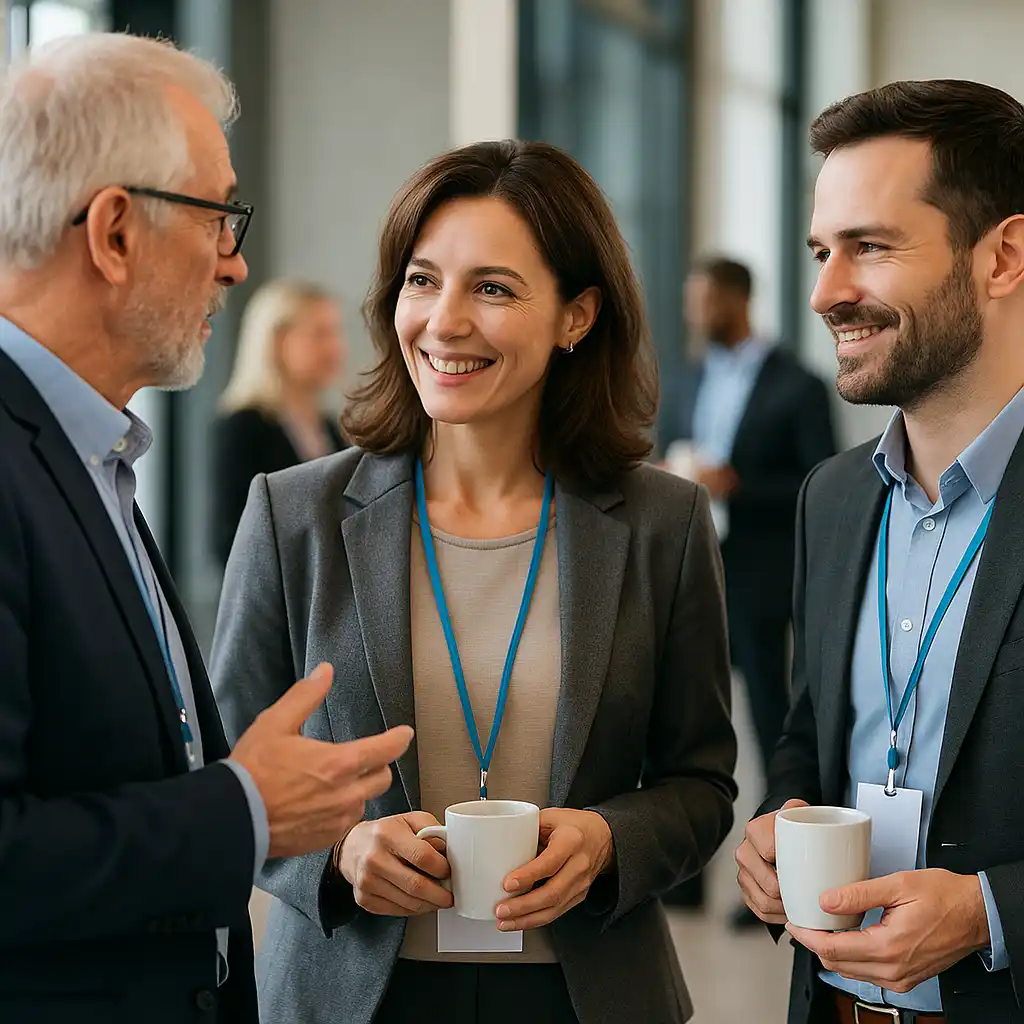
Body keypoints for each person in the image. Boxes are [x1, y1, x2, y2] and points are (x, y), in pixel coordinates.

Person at [211, 139, 738, 1024]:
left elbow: (701, 782)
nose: (444, 321)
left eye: (492, 288)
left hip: (588, 995)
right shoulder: (293, 514)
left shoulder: (662, 523)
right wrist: (337, 856)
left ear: (577, 315)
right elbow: (223, 775)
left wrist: (611, 839)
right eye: (423, 280)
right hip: (354, 993)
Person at [0, 33, 412, 1024]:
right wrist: (247, 806)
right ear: (113, 233)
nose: (235, 265)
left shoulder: (87, 452)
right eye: (221, 217)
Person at [735, 79, 1024, 1024]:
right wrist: (780, 824)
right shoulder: (835, 496)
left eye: (870, 247)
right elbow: (810, 729)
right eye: (822, 250)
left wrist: (991, 911)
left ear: (1004, 257)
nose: (824, 293)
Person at [660, 257, 836, 923]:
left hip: (759, 575)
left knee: (768, 718)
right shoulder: (685, 377)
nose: (695, 312)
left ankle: (765, 873)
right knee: (680, 717)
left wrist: (734, 483)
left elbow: (818, 484)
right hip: (687, 570)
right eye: (690, 299)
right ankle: (683, 874)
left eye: (705, 299)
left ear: (740, 298)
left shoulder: (798, 386)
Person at [211, 279, 347, 566]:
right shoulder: (243, 428)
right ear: (278, 341)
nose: (336, 349)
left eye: (335, 333)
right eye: (320, 334)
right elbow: (230, 539)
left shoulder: (329, 427)